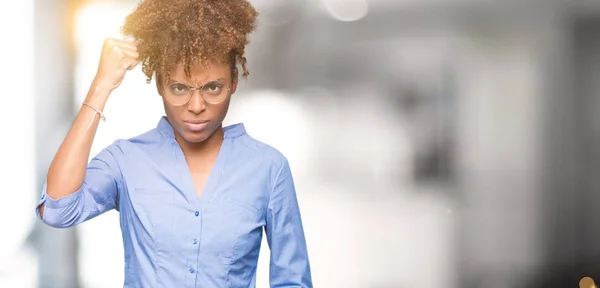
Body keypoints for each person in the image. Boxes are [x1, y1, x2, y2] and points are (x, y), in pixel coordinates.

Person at [35, 0, 312, 287]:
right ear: (159, 84)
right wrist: (101, 86)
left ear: (233, 83)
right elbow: (57, 210)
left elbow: (293, 280)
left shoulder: (268, 167)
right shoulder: (126, 160)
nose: (196, 106)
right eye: (179, 87)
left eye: (212, 87)